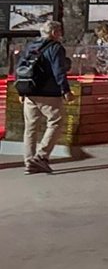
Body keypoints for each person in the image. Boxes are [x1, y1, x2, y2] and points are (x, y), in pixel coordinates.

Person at [20, 20, 71, 176]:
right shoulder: (56, 48)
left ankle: (29, 162)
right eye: (60, 31)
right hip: (49, 93)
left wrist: (21, 92)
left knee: (30, 127)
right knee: (56, 121)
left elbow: (20, 68)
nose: (61, 34)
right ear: (54, 33)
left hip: (29, 92)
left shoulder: (30, 46)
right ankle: (41, 156)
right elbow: (58, 71)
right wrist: (65, 90)